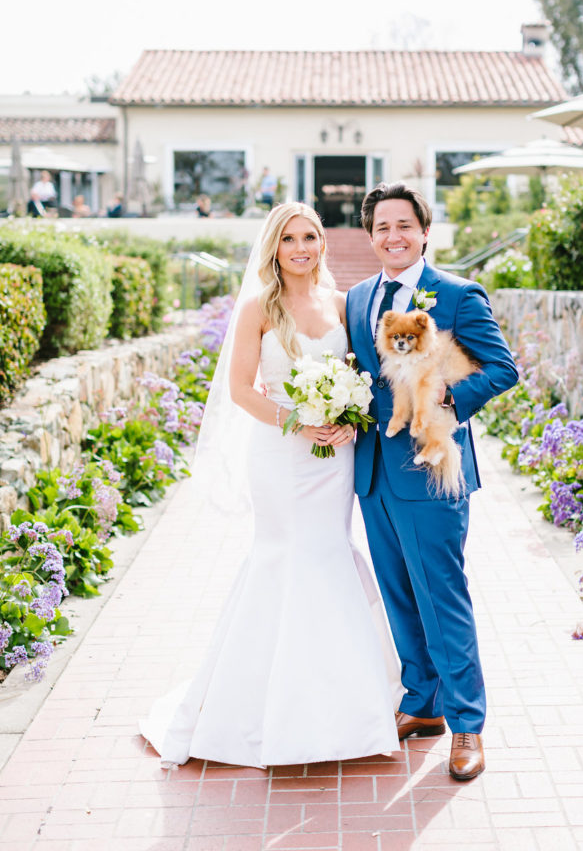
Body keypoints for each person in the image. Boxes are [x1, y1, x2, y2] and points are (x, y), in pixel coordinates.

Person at [140, 202, 401, 768]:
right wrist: (296, 421)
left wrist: (346, 417)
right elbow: (240, 389)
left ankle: (345, 702)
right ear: (274, 247)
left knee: (330, 551)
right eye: (289, 239)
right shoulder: (259, 307)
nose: (301, 248)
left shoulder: (342, 304)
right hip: (280, 455)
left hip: (333, 455)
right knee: (282, 555)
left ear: (322, 244)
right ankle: (264, 706)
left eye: (310, 236)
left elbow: (362, 377)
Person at [346, 182, 519, 782]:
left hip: (431, 469)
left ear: (424, 230)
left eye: (404, 225)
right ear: (371, 237)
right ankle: (422, 703)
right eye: (381, 227)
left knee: (441, 594)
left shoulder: (455, 294)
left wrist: (449, 394)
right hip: (371, 472)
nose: (393, 236)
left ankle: (467, 722)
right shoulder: (358, 297)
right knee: (397, 592)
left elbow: (503, 368)